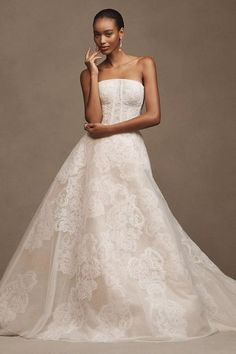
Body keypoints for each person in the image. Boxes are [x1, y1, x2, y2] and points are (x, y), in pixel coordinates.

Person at [0, 8, 236, 343]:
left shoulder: (144, 64)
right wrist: (93, 75)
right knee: (98, 227)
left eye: (108, 33)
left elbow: (153, 115)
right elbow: (93, 118)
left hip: (128, 151)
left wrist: (112, 128)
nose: (102, 40)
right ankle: (104, 303)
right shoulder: (87, 74)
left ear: (122, 32)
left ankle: (141, 300)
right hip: (95, 157)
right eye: (97, 34)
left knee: (141, 224)